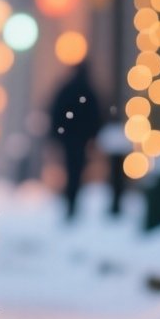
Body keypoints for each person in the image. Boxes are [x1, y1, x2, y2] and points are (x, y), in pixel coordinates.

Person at [48, 63, 102, 221]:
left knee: (72, 170)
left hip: (69, 138)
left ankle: (71, 202)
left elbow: (56, 112)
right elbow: (96, 115)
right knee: (77, 171)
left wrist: (56, 134)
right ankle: (73, 201)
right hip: (81, 139)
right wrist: (93, 136)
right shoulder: (89, 90)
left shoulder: (67, 89)